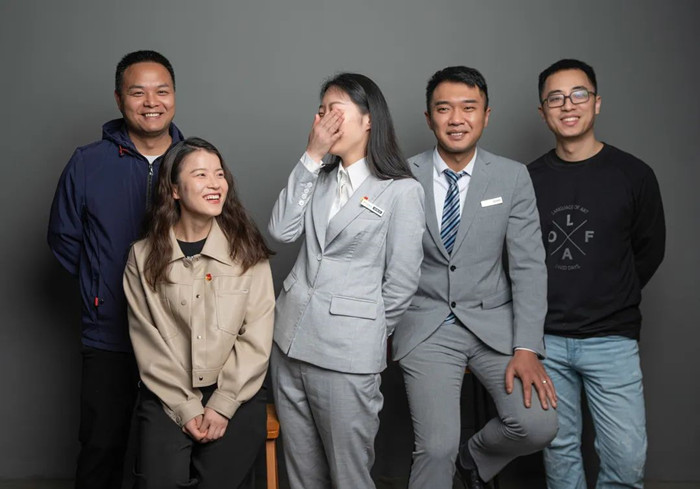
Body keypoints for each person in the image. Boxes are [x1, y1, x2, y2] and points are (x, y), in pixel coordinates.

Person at [392, 66, 559, 489]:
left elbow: (528, 265)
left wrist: (527, 347)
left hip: (493, 324)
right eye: (443, 109)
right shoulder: (401, 176)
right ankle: (449, 461)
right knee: (436, 448)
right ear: (429, 118)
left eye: (469, 108)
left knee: (538, 425)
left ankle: (472, 459)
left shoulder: (511, 176)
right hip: (426, 323)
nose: (456, 119)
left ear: (486, 115)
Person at [268, 72, 425, 489]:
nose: (324, 122)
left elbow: (402, 283)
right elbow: (281, 231)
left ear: (369, 119)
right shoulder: (317, 176)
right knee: (302, 476)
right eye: (320, 112)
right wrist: (310, 155)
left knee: (349, 476)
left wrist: (363, 331)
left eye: (334, 111)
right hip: (289, 343)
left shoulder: (401, 191)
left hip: (347, 356)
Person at [47, 50, 183, 489]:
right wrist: (100, 287)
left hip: (179, 335)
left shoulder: (194, 162)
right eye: (138, 92)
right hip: (109, 332)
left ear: (174, 96)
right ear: (119, 98)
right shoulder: (88, 163)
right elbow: (64, 237)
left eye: (161, 91)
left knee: (168, 452)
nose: (151, 102)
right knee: (102, 446)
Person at [529, 58, 665, 489]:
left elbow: (649, 250)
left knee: (626, 459)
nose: (568, 105)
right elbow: (515, 259)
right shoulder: (526, 180)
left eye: (578, 94)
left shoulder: (634, 175)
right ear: (543, 111)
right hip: (546, 341)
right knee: (559, 453)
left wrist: (611, 293)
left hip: (612, 339)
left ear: (597, 102)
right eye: (555, 98)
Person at [123, 137, 275, 488]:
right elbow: (148, 343)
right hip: (168, 392)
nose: (214, 183)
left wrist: (223, 403)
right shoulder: (142, 257)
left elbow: (257, 336)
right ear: (174, 190)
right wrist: (186, 407)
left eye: (219, 174)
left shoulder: (248, 252)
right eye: (201, 174)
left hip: (237, 391)